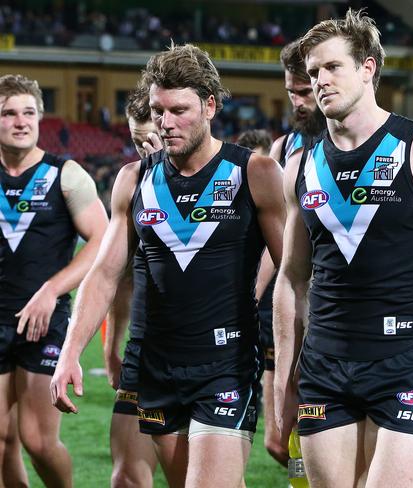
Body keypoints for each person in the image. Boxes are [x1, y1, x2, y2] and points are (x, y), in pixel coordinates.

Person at [50, 43, 285, 488]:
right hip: (156, 366)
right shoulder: (134, 180)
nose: (166, 122)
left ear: (211, 105)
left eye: (180, 110)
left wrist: (297, 362)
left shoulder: (253, 173)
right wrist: (70, 353)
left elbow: (293, 272)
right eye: (159, 110)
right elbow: (103, 274)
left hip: (225, 364)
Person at [273, 10, 413, 487]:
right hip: (324, 363)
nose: (320, 81)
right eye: (312, 73)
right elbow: (291, 277)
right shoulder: (299, 167)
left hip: (403, 362)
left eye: (332, 67)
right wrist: (284, 381)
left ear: (368, 68)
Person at [0, 74, 108, 487]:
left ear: (40, 118)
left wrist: (51, 289)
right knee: (0, 440)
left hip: (45, 323)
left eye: (29, 112)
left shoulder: (66, 175)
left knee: (37, 440)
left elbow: (102, 241)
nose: (21, 121)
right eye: (9, 113)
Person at [256, 39, 327, 470]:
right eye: (292, 93)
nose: (299, 102)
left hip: (344, 309)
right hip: (290, 303)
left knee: (331, 439)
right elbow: (276, 242)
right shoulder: (284, 151)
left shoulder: (376, 147)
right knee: (280, 442)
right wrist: (251, 296)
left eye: (305, 92)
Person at [102, 81, 162, 488]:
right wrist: (110, 348)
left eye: (151, 141)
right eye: (137, 143)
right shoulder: (134, 183)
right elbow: (116, 275)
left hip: (214, 359)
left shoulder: (230, 177)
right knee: (125, 478)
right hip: (146, 353)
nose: (146, 152)